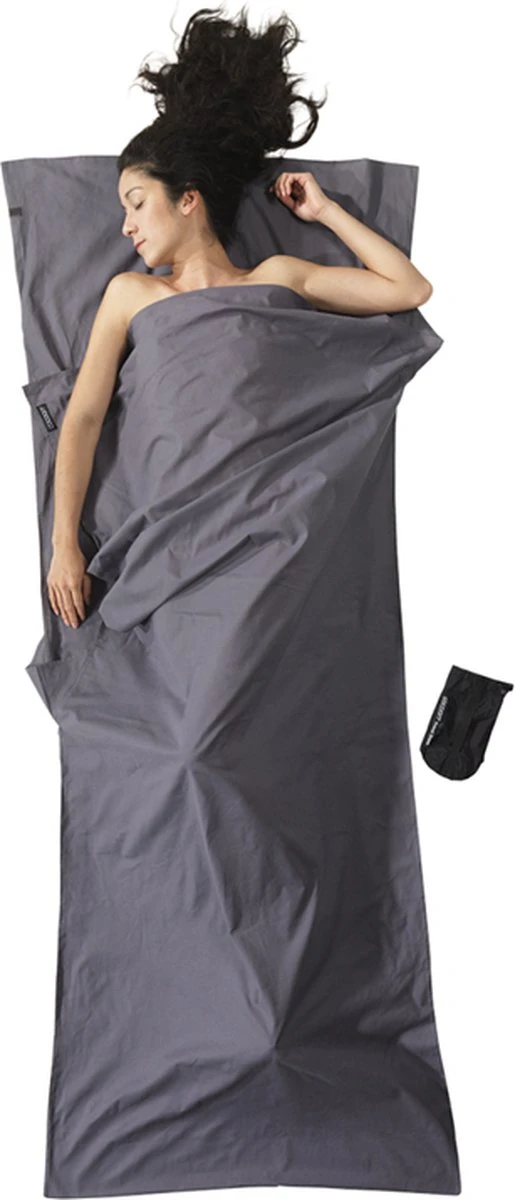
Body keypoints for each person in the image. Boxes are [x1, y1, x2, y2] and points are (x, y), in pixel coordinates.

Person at [46, 3, 431, 631]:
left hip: (272, 521)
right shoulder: (131, 294)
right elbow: (85, 416)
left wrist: (325, 211)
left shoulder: (276, 276)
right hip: (178, 532)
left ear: (188, 199)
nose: (126, 227)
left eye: (137, 203)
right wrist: (64, 544)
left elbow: (408, 288)